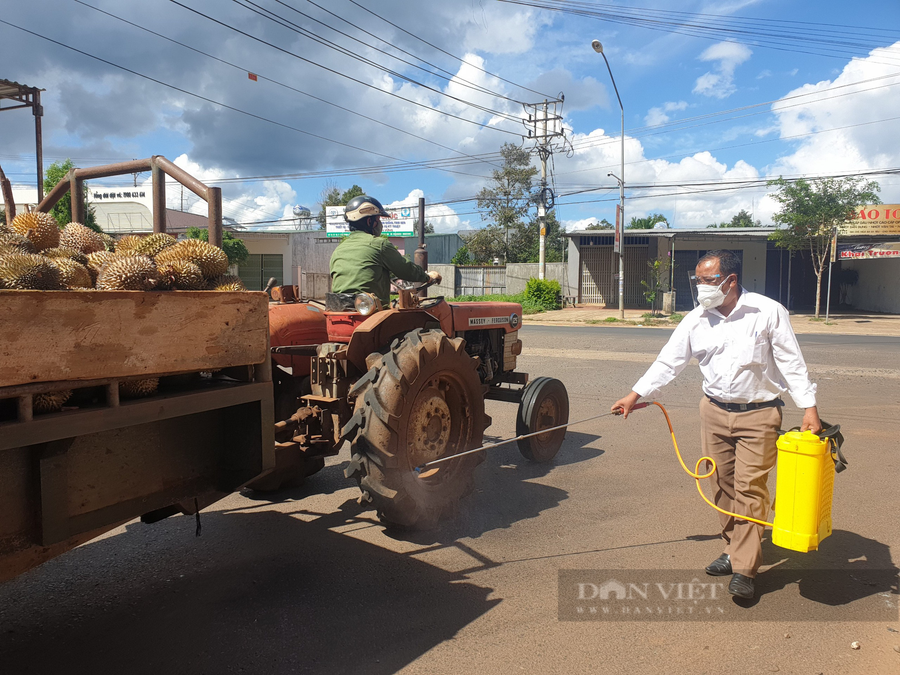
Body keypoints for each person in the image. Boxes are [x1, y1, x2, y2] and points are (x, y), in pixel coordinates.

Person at [611, 250, 821, 600]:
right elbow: (669, 360)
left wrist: (809, 408)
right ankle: (732, 547)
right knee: (721, 486)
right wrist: (635, 395)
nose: (700, 287)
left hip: (759, 413)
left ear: (731, 280)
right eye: (698, 280)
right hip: (713, 411)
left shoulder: (767, 312)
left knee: (750, 488)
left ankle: (745, 568)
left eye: (708, 280)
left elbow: (791, 362)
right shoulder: (696, 318)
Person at [329, 195, 441, 306]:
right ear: (369, 222)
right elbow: (406, 270)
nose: (380, 224)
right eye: (378, 220)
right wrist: (427, 277)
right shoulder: (379, 244)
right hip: (371, 310)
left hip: (339, 310)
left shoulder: (338, 250)